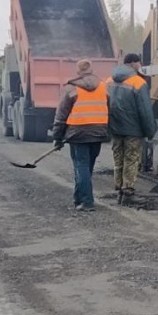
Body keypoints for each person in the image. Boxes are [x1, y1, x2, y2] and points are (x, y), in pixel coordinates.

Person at [51, 59, 109, 212]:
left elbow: (61, 114)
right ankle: (78, 198)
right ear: (91, 70)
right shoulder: (103, 87)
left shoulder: (72, 88)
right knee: (87, 166)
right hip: (98, 132)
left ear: (78, 71)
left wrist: (57, 137)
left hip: (78, 133)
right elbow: (111, 108)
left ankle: (86, 201)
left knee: (81, 166)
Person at [106, 53, 157, 204]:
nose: (139, 65)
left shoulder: (109, 81)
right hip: (133, 130)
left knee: (118, 158)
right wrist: (150, 131)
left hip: (115, 128)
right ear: (134, 63)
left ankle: (118, 188)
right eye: (138, 63)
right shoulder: (138, 82)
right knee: (131, 158)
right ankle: (127, 191)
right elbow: (145, 111)